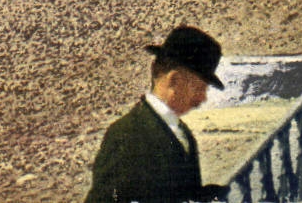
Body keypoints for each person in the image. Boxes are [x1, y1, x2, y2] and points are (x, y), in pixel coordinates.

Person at [84, 26, 228, 203]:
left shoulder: (180, 131)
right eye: (199, 89)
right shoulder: (126, 134)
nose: (202, 99)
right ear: (174, 80)